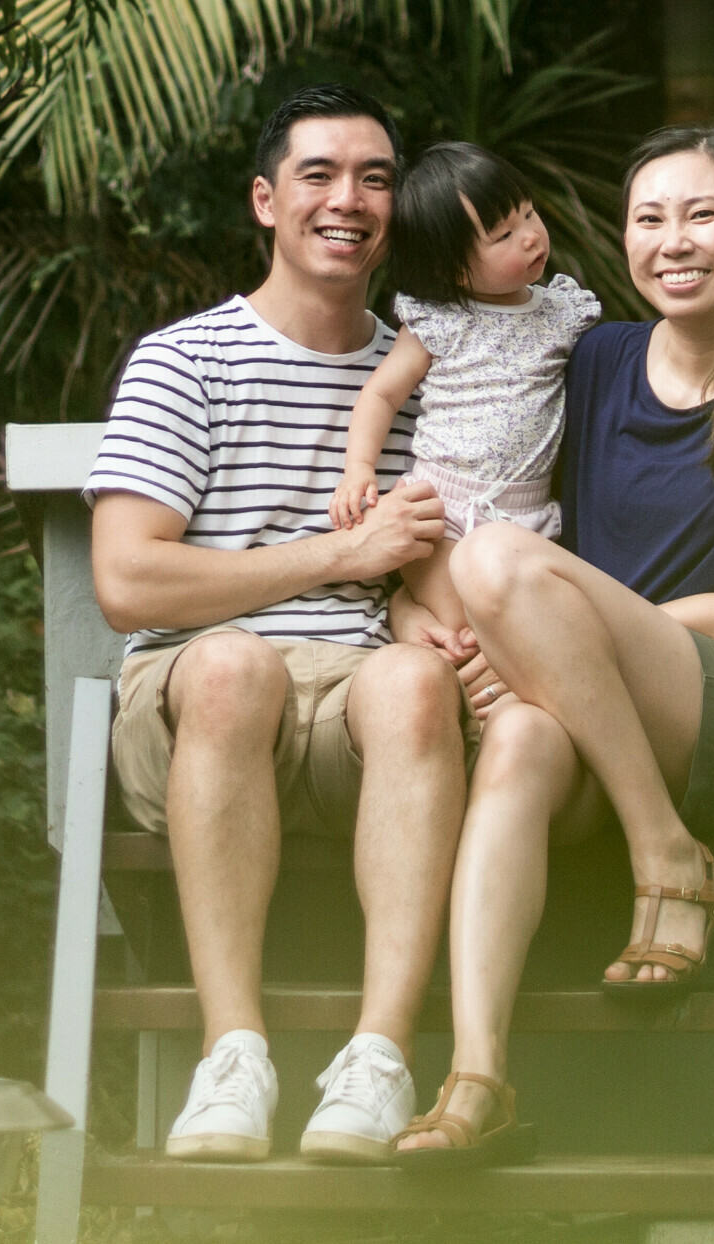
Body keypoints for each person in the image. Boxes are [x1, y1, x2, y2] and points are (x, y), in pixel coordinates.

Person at [389, 122, 714, 1169]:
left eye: (701, 214)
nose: (672, 240)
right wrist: (416, 612)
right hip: (591, 712)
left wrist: (542, 630)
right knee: (518, 737)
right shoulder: (595, 357)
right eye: (648, 218)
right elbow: (465, 454)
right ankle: (477, 1077)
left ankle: (666, 851)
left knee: (503, 559)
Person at [85, 84, 473, 1166]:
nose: (348, 200)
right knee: (232, 670)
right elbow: (127, 581)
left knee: (416, 683)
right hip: (199, 706)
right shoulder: (185, 360)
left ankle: (380, 1058)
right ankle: (233, 1056)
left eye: (375, 179)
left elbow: (473, 542)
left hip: (367, 706)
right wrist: (339, 556)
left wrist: (441, 624)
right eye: (319, 175)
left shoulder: (429, 372)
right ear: (266, 200)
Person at [329, 141, 603, 635]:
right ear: (451, 268)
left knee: (526, 629)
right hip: (442, 511)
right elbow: (382, 394)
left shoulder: (562, 312)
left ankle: (412, 615)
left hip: (527, 511)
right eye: (503, 235)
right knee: (462, 623)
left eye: (528, 213)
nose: (530, 236)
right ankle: (406, 608)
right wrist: (358, 469)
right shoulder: (440, 320)